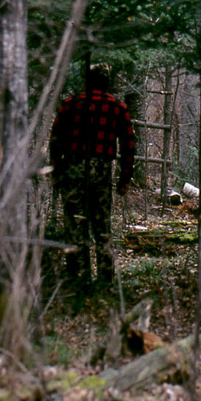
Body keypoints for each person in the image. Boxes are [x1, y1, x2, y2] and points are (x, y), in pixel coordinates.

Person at [50, 67, 135, 288]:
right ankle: (105, 279)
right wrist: (125, 177)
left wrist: (57, 170)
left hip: (73, 167)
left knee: (75, 224)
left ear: (86, 83)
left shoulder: (70, 104)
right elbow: (128, 144)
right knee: (101, 224)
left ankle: (78, 276)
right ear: (107, 84)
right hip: (101, 170)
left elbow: (55, 139)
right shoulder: (117, 107)